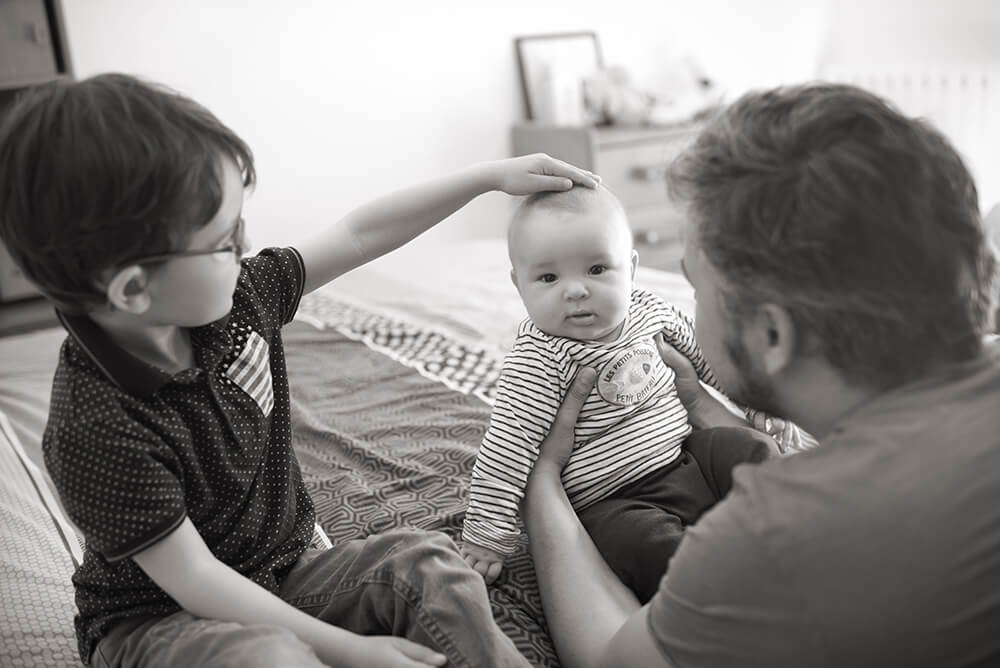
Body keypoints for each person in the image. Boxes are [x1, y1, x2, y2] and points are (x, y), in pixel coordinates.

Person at [0, 73, 600, 668]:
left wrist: (487, 178)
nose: (245, 245)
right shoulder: (95, 423)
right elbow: (196, 581)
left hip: (283, 571)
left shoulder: (242, 298)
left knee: (430, 569)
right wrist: (352, 651)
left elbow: (359, 234)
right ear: (133, 288)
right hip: (159, 625)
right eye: (222, 238)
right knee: (269, 657)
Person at [521, 83, 1000, 668]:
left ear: (772, 335)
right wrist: (702, 409)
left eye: (693, 286)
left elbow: (610, 659)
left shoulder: (770, 540)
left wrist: (543, 485)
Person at [459, 185, 780, 601]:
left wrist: (757, 403)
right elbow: (507, 446)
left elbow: (707, 359)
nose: (574, 291)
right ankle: (722, 586)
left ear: (630, 268)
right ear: (518, 285)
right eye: (548, 277)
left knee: (756, 450)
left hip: (688, 457)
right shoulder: (539, 359)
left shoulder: (649, 310)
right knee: (642, 546)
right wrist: (487, 536)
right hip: (615, 500)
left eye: (596, 269)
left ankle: (783, 527)